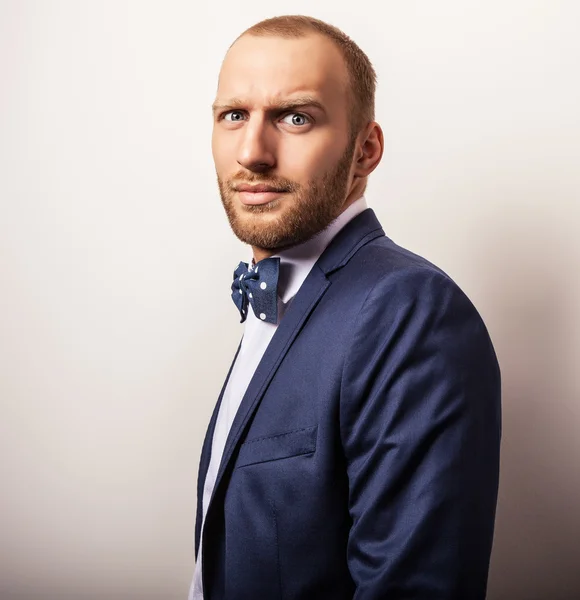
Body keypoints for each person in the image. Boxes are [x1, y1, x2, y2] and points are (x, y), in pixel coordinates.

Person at [189, 15, 501, 600]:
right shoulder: (275, 296)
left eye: (296, 117)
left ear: (366, 150)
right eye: (234, 115)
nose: (253, 152)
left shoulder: (411, 313)